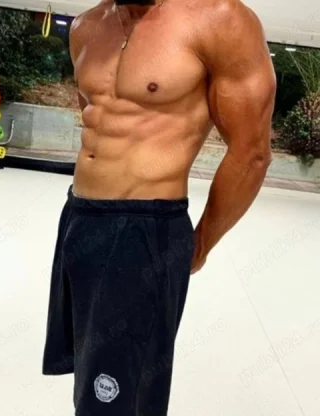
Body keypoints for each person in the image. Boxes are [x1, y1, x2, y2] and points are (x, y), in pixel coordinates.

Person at [43, 0, 276, 414]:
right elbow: (100, 126)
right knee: (92, 376)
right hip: (79, 219)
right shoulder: (86, 26)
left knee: (120, 394)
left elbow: (252, 152)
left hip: (145, 228)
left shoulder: (220, 19)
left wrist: (199, 244)